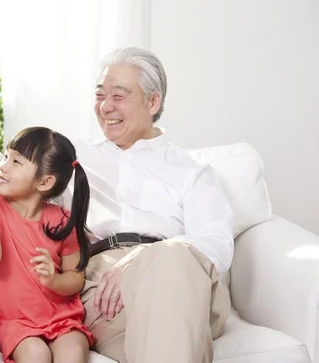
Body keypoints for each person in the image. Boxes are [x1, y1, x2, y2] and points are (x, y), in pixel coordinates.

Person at [68, 47, 233, 363]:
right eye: (100, 94)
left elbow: (217, 246)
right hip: (105, 289)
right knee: (168, 330)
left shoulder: (193, 172)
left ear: (153, 102)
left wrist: (148, 255)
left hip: (187, 282)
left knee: (173, 261)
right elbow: (16, 173)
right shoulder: (74, 157)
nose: (105, 106)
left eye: (119, 96)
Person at [0, 127, 94, 363]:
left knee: (73, 352)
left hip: (62, 318)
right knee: (36, 355)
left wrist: (54, 280)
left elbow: (75, 278)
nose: (3, 166)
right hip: (15, 323)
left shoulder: (62, 220)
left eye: (16, 162)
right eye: (5, 156)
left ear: (45, 181)